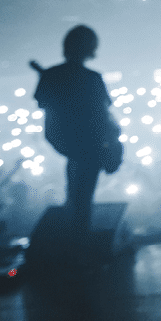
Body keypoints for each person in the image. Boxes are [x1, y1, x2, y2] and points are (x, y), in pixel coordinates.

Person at [32, 25, 122, 231]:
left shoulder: (53, 75)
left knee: (75, 188)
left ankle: (73, 234)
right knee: (83, 194)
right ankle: (79, 240)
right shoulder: (92, 78)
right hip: (90, 143)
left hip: (65, 140)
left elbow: (43, 102)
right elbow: (103, 111)